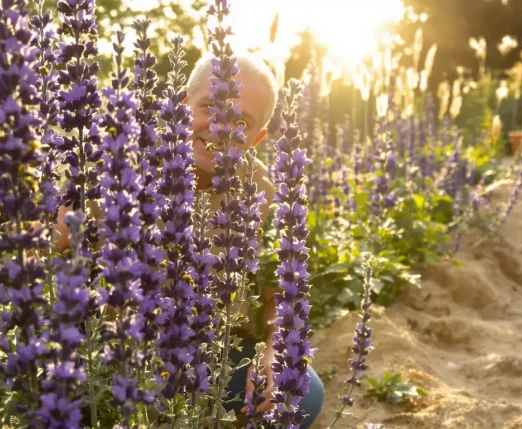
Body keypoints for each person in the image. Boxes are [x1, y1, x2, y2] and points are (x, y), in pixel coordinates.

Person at [54, 52, 324, 428]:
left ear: (258, 138)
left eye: (242, 121)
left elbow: (280, 288)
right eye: (210, 106)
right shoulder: (120, 161)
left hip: (211, 353)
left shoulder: (261, 188)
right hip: (119, 353)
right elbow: (48, 244)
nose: (220, 128)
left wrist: (275, 349)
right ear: (183, 103)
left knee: (301, 391)